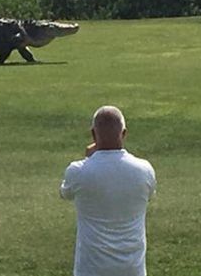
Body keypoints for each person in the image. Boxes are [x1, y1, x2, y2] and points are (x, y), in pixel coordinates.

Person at [60, 105, 156, 276]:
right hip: (132, 268)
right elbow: (149, 195)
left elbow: (65, 193)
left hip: (91, 268)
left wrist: (88, 158)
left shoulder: (78, 171)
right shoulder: (144, 170)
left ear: (93, 134)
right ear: (124, 133)